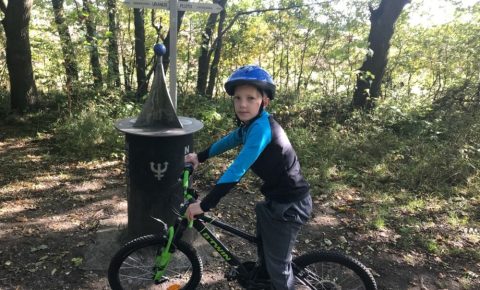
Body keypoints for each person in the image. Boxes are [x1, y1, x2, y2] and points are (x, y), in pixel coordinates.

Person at [185, 65, 312, 290]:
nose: (243, 104)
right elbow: (231, 139)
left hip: (291, 204)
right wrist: (200, 157)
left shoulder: (262, 130)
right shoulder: (250, 125)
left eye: (250, 98)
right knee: (264, 244)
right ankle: (264, 277)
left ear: (264, 101)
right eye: (238, 98)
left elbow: (237, 169)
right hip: (277, 198)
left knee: (280, 269)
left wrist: (205, 204)